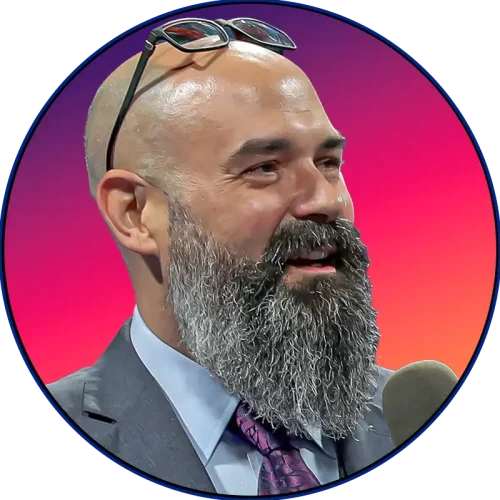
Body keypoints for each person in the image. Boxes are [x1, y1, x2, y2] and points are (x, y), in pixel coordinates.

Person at [48, 17, 395, 496]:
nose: (328, 200)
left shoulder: (414, 413)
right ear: (135, 212)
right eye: (264, 168)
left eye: (328, 163)